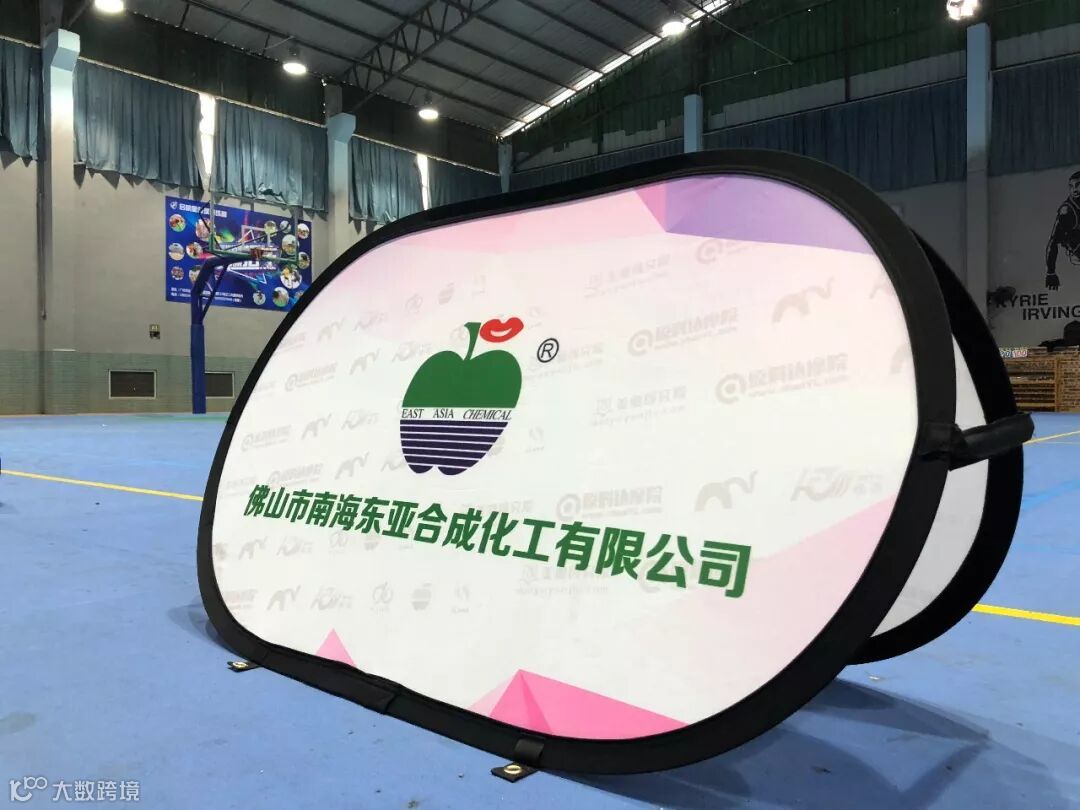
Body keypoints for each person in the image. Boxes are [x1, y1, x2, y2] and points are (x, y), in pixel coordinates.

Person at [1045, 170, 1080, 290]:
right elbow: (1053, 241)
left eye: (1078, 185)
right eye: (1071, 186)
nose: (1074, 190)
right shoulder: (1067, 211)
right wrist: (1051, 273)